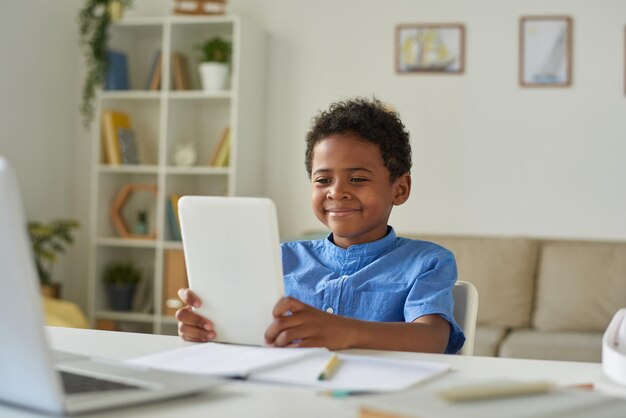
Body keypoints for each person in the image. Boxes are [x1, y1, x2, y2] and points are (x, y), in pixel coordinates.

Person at [177, 97, 465, 354]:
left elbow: (432, 338)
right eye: (323, 180)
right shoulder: (280, 260)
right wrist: (209, 326)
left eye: (358, 179)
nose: (336, 192)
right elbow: (249, 337)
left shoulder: (428, 262)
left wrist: (344, 331)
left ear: (399, 189)